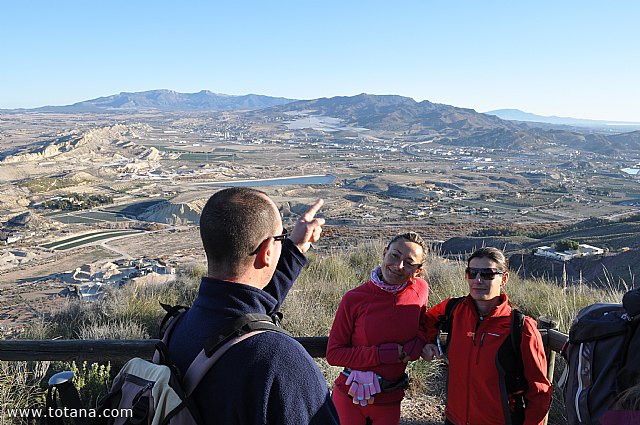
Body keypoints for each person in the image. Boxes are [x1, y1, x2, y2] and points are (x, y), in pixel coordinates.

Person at [168, 187, 339, 425]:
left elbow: (243, 310)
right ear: (268, 251)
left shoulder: (177, 329)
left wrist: (294, 248)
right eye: (282, 237)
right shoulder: (281, 362)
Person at [421, 247, 552, 425]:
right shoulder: (453, 309)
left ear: (504, 279)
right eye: (472, 273)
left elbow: (539, 392)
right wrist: (427, 342)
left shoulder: (521, 327)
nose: (478, 280)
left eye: (488, 274)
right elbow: (425, 321)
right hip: (454, 419)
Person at [326, 232, 430, 425]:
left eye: (409, 262)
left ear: (418, 270)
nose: (398, 266)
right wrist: (383, 355)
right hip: (350, 397)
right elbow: (334, 354)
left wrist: (419, 342)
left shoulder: (420, 289)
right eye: (395, 255)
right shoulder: (354, 298)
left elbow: (423, 322)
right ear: (384, 252)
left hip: (391, 397)